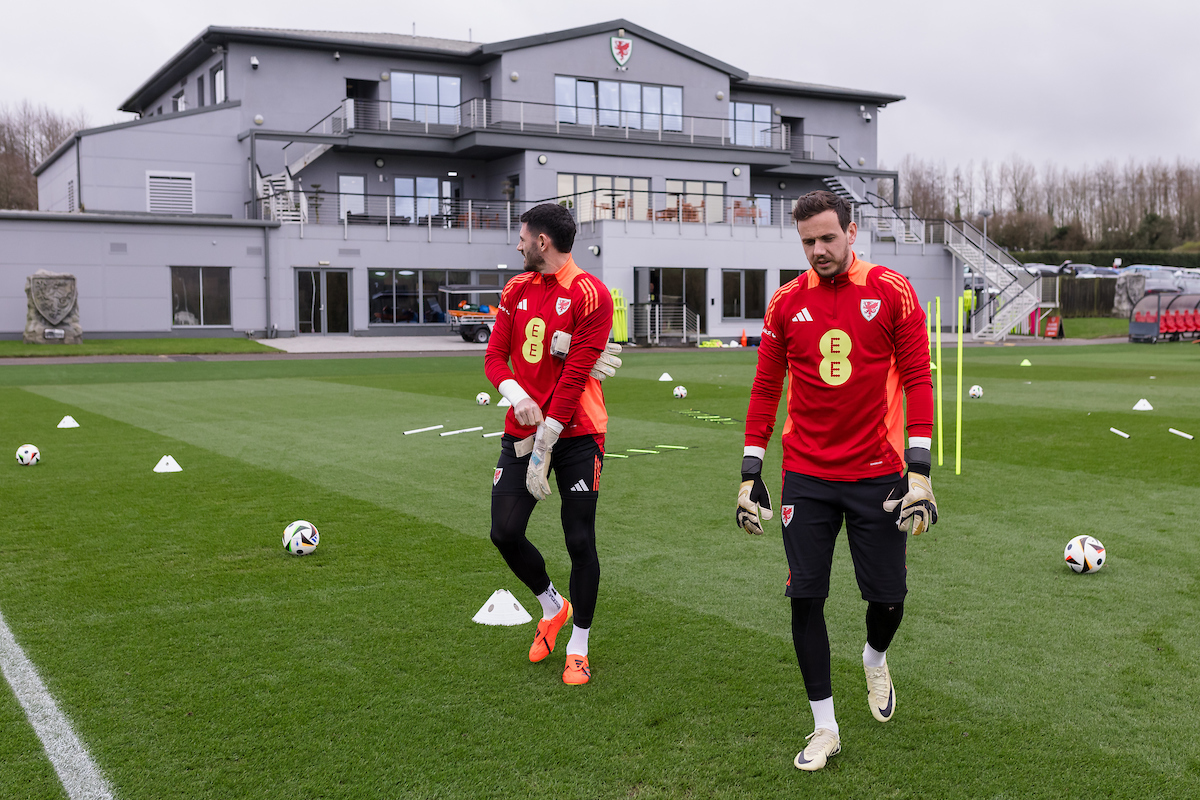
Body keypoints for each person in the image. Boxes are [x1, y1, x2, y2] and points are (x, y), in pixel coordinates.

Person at [736, 190, 937, 770]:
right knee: (806, 596)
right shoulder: (784, 303)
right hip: (806, 473)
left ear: (851, 231)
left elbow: (920, 378)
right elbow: (765, 390)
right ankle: (824, 726)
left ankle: (874, 660)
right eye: (808, 242)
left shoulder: (891, 289)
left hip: (877, 472)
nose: (818, 250)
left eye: (828, 238)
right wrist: (751, 471)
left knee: (888, 599)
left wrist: (918, 471)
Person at [484, 202, 619, 686]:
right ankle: (552, 606)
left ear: (542, 241)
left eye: (522, 237)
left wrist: (548, 439)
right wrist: (517, 395)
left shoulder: (591, 293)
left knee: (579, 539)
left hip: (578, 432)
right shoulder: (516, 288)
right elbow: (495, 356)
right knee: (504, 531)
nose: (517, 244)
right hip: (521, 429)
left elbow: (576, 375)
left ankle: (579, 647)